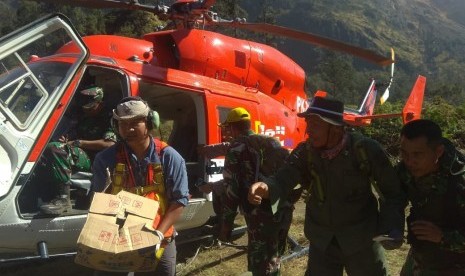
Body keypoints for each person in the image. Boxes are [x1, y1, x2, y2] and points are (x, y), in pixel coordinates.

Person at [248, 96, 405, 276]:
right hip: (322, 241)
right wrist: (266, 186)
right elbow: (284, 177)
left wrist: (391, 226)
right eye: (308, 123)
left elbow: (393, 192)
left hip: (361, 239)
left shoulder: (364, 150)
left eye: (315, 125)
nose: (308, 131)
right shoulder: (305, 151)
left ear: (336, 128)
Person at [91, 96, 189, 275]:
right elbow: (99, 201)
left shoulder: (170, 157)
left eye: (136, 122)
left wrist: (158, 235)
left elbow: (179, 200)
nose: (129, 128)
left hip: (159, 232)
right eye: (123, 124)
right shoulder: (105, 159)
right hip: (117, 234)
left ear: (150, 122)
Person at [218, 107, 294, 276]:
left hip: (259, 215)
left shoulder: (236, 149)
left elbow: (231, 191)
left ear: (233, 127)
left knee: (260, 265)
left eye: (227, 128)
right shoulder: (269, 141)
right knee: (274, 259)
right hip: (282, 209)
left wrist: (226, 225)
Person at [398, 119, 465, 275]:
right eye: (404, 153)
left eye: (417, 154)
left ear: (439, 152)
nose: (410, 161)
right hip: (421, 258)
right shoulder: (405, 170)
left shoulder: (459, 182)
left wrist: (442, 237)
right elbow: (393, 198)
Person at [39, 87, 117, 215]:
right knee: (47, 149)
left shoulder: (108, 119)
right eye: (85, 107)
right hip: (78, 153)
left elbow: (109, 144)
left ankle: (63, 200)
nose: (87, 110)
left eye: (90, 107)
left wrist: (79, 143)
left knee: (56, 148)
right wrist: (67, 140)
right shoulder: (83, 117)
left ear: (100, 104)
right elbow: (74, 136)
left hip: (96, 159)